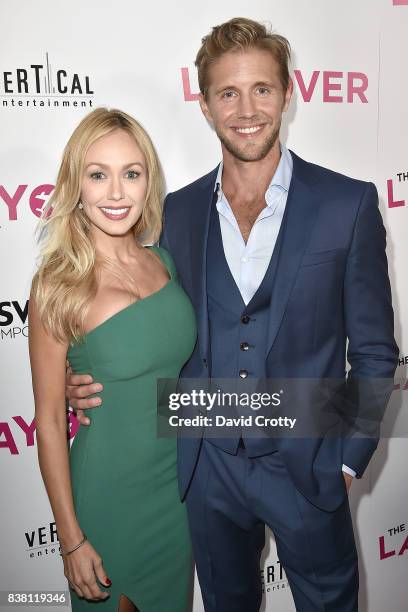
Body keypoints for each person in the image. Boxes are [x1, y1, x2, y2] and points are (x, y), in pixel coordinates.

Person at [67, 18, 399, 612]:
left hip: (309, 469)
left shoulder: (346, 204)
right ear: (205, 105)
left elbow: (376, 353)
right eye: (228, 93)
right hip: (206, 470)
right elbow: (143, 315)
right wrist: (90, 372)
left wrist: (348, 461)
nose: (247, 110)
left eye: (262, 90)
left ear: (288, 94)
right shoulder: (176, 211)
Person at [28, 108, 196, 612]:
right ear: (76, 185)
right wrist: (71, 540)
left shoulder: (163, 262)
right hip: (110, 496)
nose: (117, 193)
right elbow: (51, 423)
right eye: (98, 175)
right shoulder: (56, 286)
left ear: (149, 181)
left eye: (131, 173)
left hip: (177, 493)